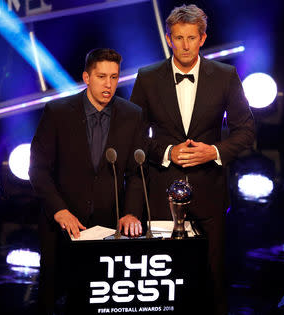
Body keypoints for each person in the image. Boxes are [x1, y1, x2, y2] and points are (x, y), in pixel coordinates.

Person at [130, 4, 255, 314]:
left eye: (191, 38)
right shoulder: (147, 78)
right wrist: (168, 152)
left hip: (209, 192)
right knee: (163, 278)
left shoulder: (225, 76)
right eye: (178, 38)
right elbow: (131, 136)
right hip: (160, 192)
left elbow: (245, 131)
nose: (185, 45)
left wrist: (212, 151)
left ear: (202, 38)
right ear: (169, 39)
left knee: (212, 275)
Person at [29, 48, 145, 315]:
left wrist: (130, 212)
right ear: (86, 77)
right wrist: (59, 210)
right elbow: (38, 169)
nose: (108, 84)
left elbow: (136, 172)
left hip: (107, 226)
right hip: (61, 224)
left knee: (100, 301)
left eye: (114, 77)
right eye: (101, 76)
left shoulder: (132, 115)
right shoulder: (57, 112)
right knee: (53, 297)